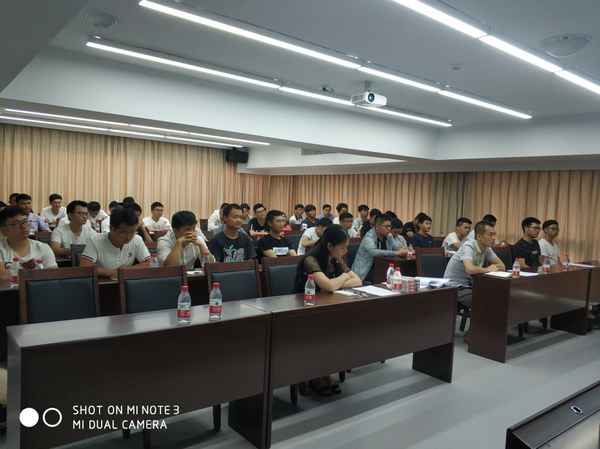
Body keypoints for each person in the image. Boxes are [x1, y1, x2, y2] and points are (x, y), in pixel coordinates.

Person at [294, 224, 362, 396]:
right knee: (320, 330)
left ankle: (324, 372)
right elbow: (330, 286)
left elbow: (357, 281)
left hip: (323, 308)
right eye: (343, 247)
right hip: (302, 311)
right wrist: (343, 277)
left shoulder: (335, 259)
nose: (345, 251)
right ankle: (315, 374)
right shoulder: (310, 260)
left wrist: (336, 283)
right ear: (330, 246)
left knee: (337, 329)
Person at [443, 220, 505, 343]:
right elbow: (470, 269)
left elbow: (502, 266)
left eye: (494, 234)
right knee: (486, 301)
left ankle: (488, 333)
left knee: (498, 297)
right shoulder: (468, 246)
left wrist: (492, 268)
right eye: (490, 235)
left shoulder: (487, 248)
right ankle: (471, 335)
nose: (494, 238)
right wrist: (488, 269)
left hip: (470, 286)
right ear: (479, 236)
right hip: (455, 287)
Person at [80, 208, 151, 277]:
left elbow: (148, 263)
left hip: (126, 280)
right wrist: (111, 273)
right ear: (111, 228)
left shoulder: (137, 239)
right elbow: (85, 267)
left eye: (132, 232)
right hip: (102, 281)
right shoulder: (95, 241)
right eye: (124, 233)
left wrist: (122, 271)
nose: (129, 237)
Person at [0, 206, 58, 279]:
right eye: (16, 223)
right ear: (4, 230)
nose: (23, 226)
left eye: (25, 222)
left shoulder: (42, 247)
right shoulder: (1, 248)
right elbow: (2, 276)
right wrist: (39, 274)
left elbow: (53, 274)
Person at [352, 214, 406, 283]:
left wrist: (405, 251)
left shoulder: (388, 236)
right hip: (366, 270)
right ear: (377, 226)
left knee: (399, 273)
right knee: (388, 276)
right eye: (386, 226)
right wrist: (394, 253)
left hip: (381, 267)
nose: (389, 229)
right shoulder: (369, 237)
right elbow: (373, 252)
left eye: (390, 226)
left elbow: (396, 247)